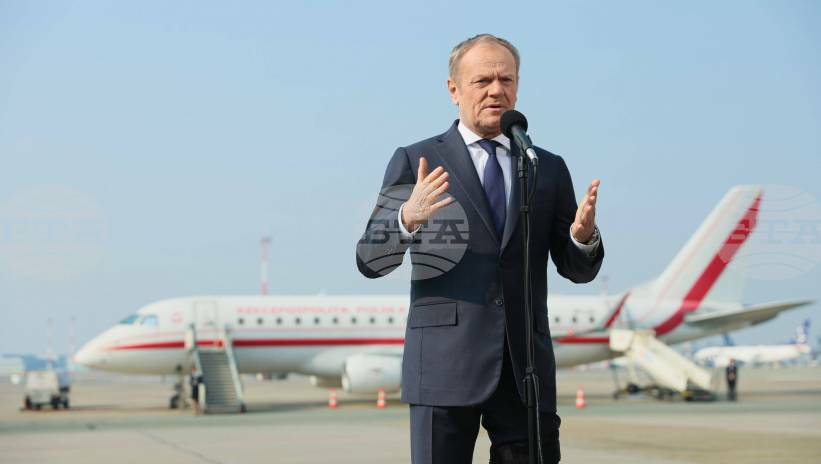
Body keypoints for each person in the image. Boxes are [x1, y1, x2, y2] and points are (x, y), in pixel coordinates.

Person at [356, 34, 603, 463]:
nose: (496, 90)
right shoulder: (416, 160)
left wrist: (582, 238)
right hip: (443, 364)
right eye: (482, 80)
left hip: (525, 367)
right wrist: (407, 218)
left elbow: (576, 269)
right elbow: (369, 260)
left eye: (506, 79)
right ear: (454, 90)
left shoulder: (544, 166)